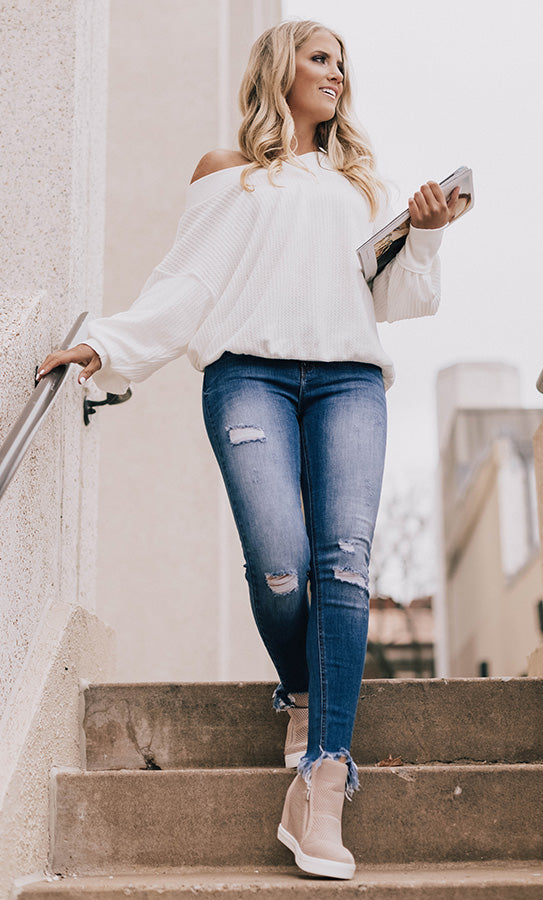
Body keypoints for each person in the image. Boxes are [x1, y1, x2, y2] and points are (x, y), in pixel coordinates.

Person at [38, 19, 459, 881]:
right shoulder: (226, 175)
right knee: (278, 561)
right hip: (248, 378)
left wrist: (424, 230)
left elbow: (403, 300)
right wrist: (107, 347)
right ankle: (302, 692)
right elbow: (185, 285)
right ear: (279, 70)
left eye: (341, 62)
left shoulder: (357, 183)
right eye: (318, 58)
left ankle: (324, 780)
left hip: (347, 379)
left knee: (344, 566)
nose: (335, 73)